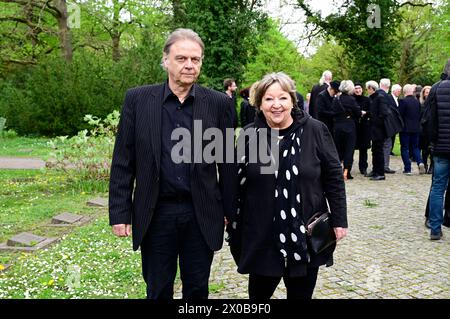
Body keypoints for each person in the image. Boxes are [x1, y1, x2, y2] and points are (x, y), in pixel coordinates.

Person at [109, 28, 235, 299]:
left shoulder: (218, 104)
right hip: (155, 213)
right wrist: (120, 212)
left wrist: (230, 210)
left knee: (198, 289)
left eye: (196, 59)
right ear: (165, 60)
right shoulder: (138, 100)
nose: (189, 65)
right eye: (181, 58)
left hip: (201, 212)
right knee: (157, 288)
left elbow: (227, 163)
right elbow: (123, 160)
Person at [227, 72, 347, 299]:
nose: (276, 105)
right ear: (259, 104)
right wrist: (227, 214)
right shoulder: (250, 135)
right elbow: (235, 181)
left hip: (304, 236)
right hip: (262, 236)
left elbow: (333, 178)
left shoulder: (315, 130)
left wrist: (339, 220)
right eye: (269, 99)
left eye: (282, 98)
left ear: (293, 100)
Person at [426, 58, 450, 240]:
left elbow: (426, 118)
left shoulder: (436, 88)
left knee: (438, 187)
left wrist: (431, 141)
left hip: (440, 146)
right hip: (441, 145)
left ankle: (435, 228)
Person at [331, 80, 362, 180]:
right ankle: (346, 171)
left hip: (338, 126)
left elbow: (333, 112)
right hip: (349, 126)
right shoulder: (351, 100)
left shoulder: (336, 99)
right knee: (349, 149)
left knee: (338, 149)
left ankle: (338, 169)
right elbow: (358, 113)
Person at [398, 84, 426, 175]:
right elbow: (420, 114)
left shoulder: (402, 101)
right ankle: (420, 162)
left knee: (405, 148)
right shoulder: (417, 102)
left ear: (404, 91)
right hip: (416, 128)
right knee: (415, 147)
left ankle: (408, 168)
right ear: (412, 92)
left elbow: (400, 115)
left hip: (405, 129)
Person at [365, 80, 389, 181]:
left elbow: (383, 113)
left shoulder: (380, 98)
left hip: (379, 129)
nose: (367, 91)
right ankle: (375, 170)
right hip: (374, 128)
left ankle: (380, 173)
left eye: (367, 89)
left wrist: (374, 120)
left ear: (371, 88)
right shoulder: (373, 98)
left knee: (378, 151)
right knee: (374, 150)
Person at [378, 78, 396, 174]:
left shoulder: (375, 95)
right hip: (386, 125)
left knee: (378, 146)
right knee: (386, 145)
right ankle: (384, 165)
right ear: (389, 86)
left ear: (380, 84)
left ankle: (378, 166)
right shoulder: (388, 97)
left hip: (377, 125)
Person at [353, 82, 371, 175]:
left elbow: (371, 111)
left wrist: (365, 113)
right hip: (354, 126)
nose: (357, 90)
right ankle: (348, 166)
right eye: (356, 88)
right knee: (351, 147)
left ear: (362, 89)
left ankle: (363, 167)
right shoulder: (351, 99)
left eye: (359, 88)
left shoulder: (367, 100)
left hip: (364, 126)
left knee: (363, 149)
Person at [419, 85, 432, 173]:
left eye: (429, 92)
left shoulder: (434, 104)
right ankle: (425, 164)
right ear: (423, 94)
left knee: (432, 149)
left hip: (432, 129)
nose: (428, 94)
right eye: (426, 92)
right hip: (423, 130)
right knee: (424, 149)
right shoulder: (421, 104)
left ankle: (432, 166)